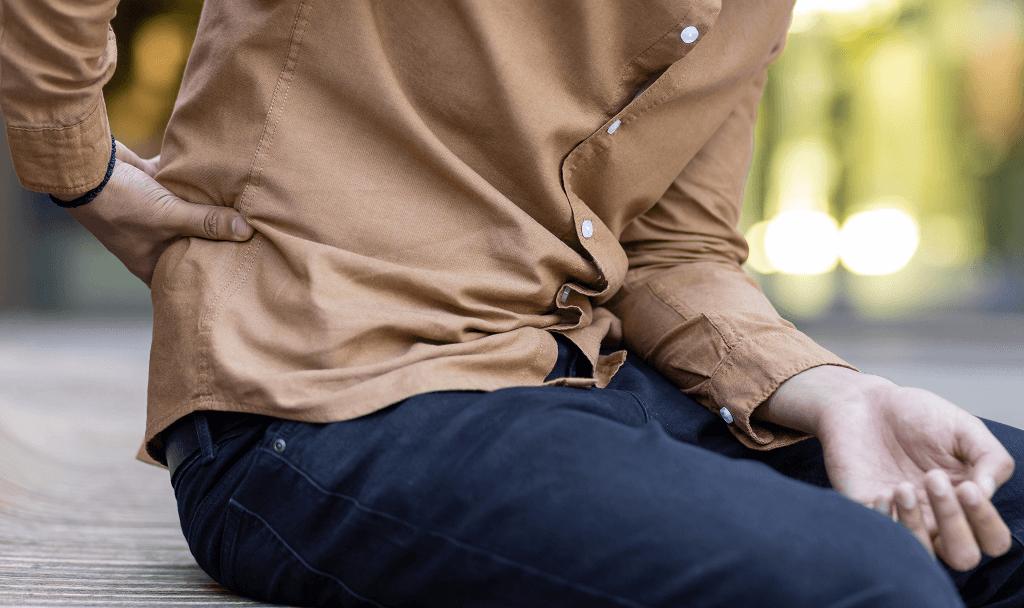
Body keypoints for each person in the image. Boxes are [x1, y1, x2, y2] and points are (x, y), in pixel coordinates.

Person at [3, 0, 1022, 605]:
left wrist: (837, 392)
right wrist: (74, 163)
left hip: (585, 381)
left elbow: (674, 250)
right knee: (863, 579)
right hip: (329, 399)